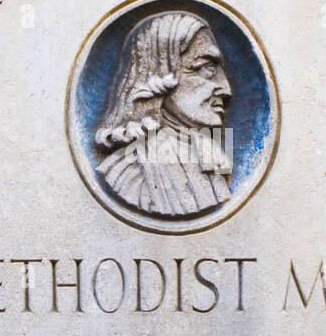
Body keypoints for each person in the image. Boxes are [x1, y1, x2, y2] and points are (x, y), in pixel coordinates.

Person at [95, 11, 234, 216]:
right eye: (206, 68)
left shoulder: (211, 159)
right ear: (160, 74)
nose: (226, 89)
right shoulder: (131, 176)